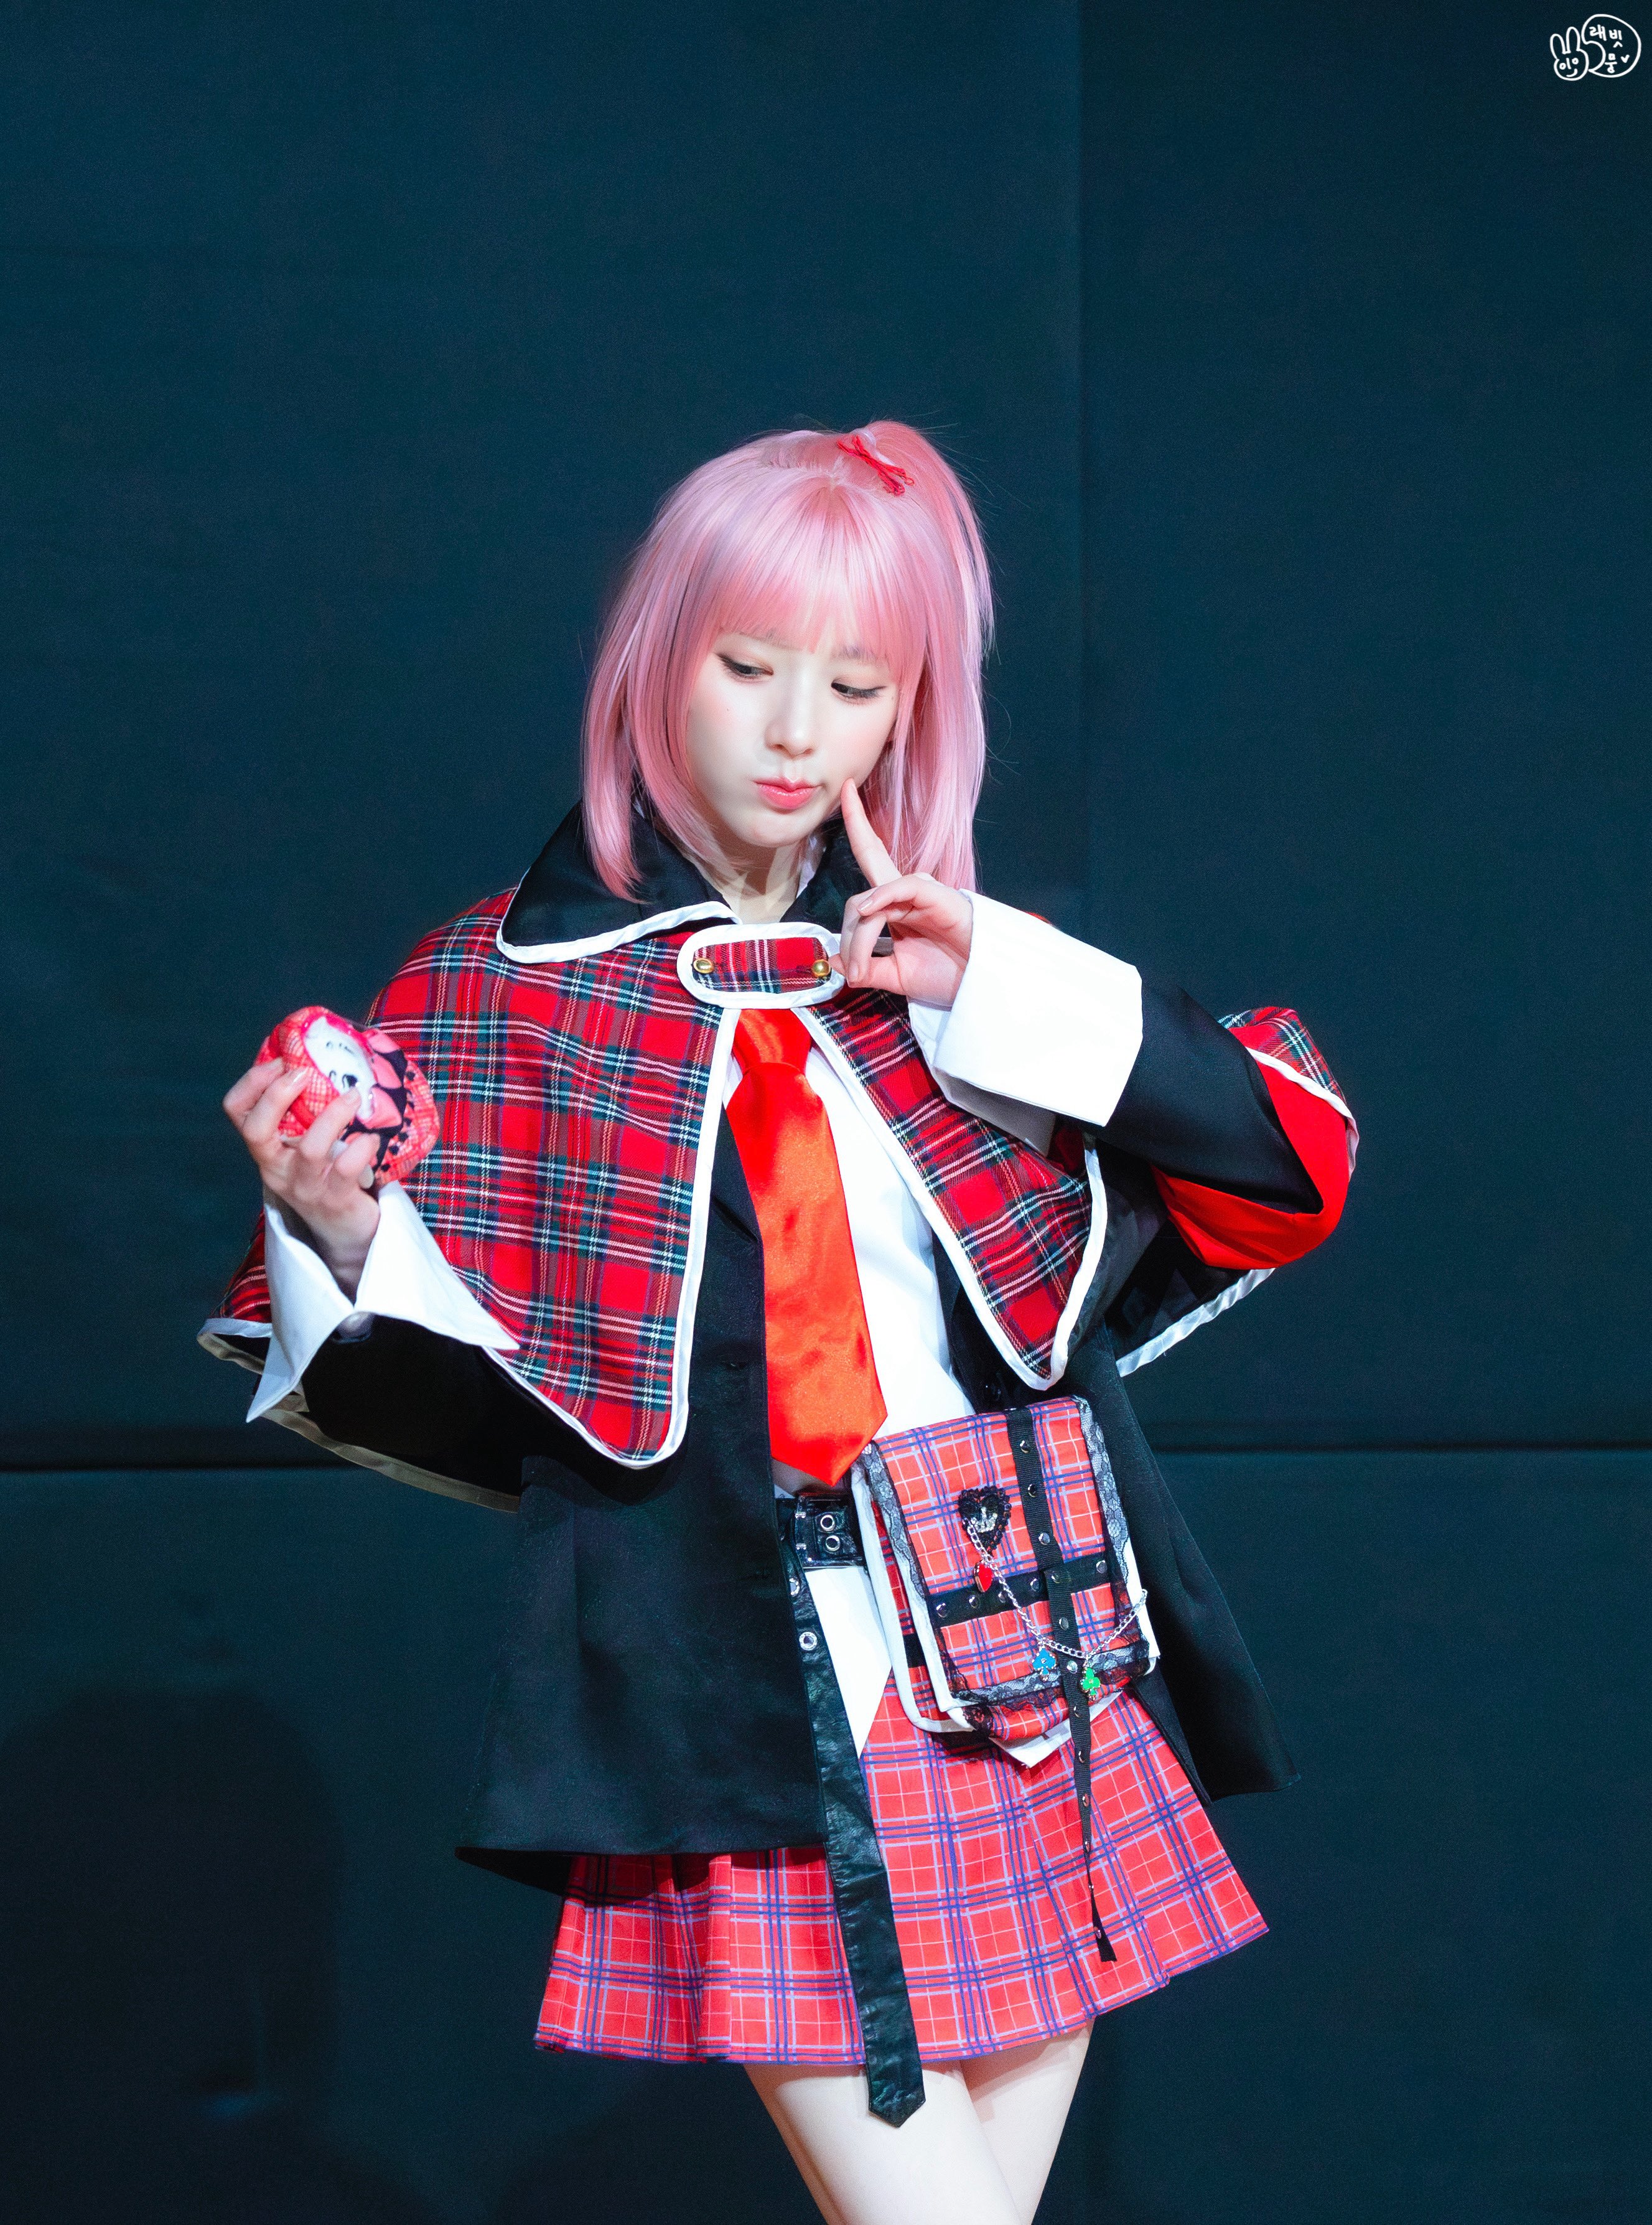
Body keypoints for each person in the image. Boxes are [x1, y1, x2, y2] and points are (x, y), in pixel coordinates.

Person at [206, 423, 1355, 2225]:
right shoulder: (503, 990)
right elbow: (461, 1403)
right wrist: (338, 1218)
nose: (799, 731)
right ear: (657, 659)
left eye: (856, 684)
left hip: (1033, 1654)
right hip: (745, 1672)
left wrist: (1001, 981)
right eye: (749, 666)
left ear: (914, 709)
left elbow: (1281, 1167)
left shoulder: (951, 973)